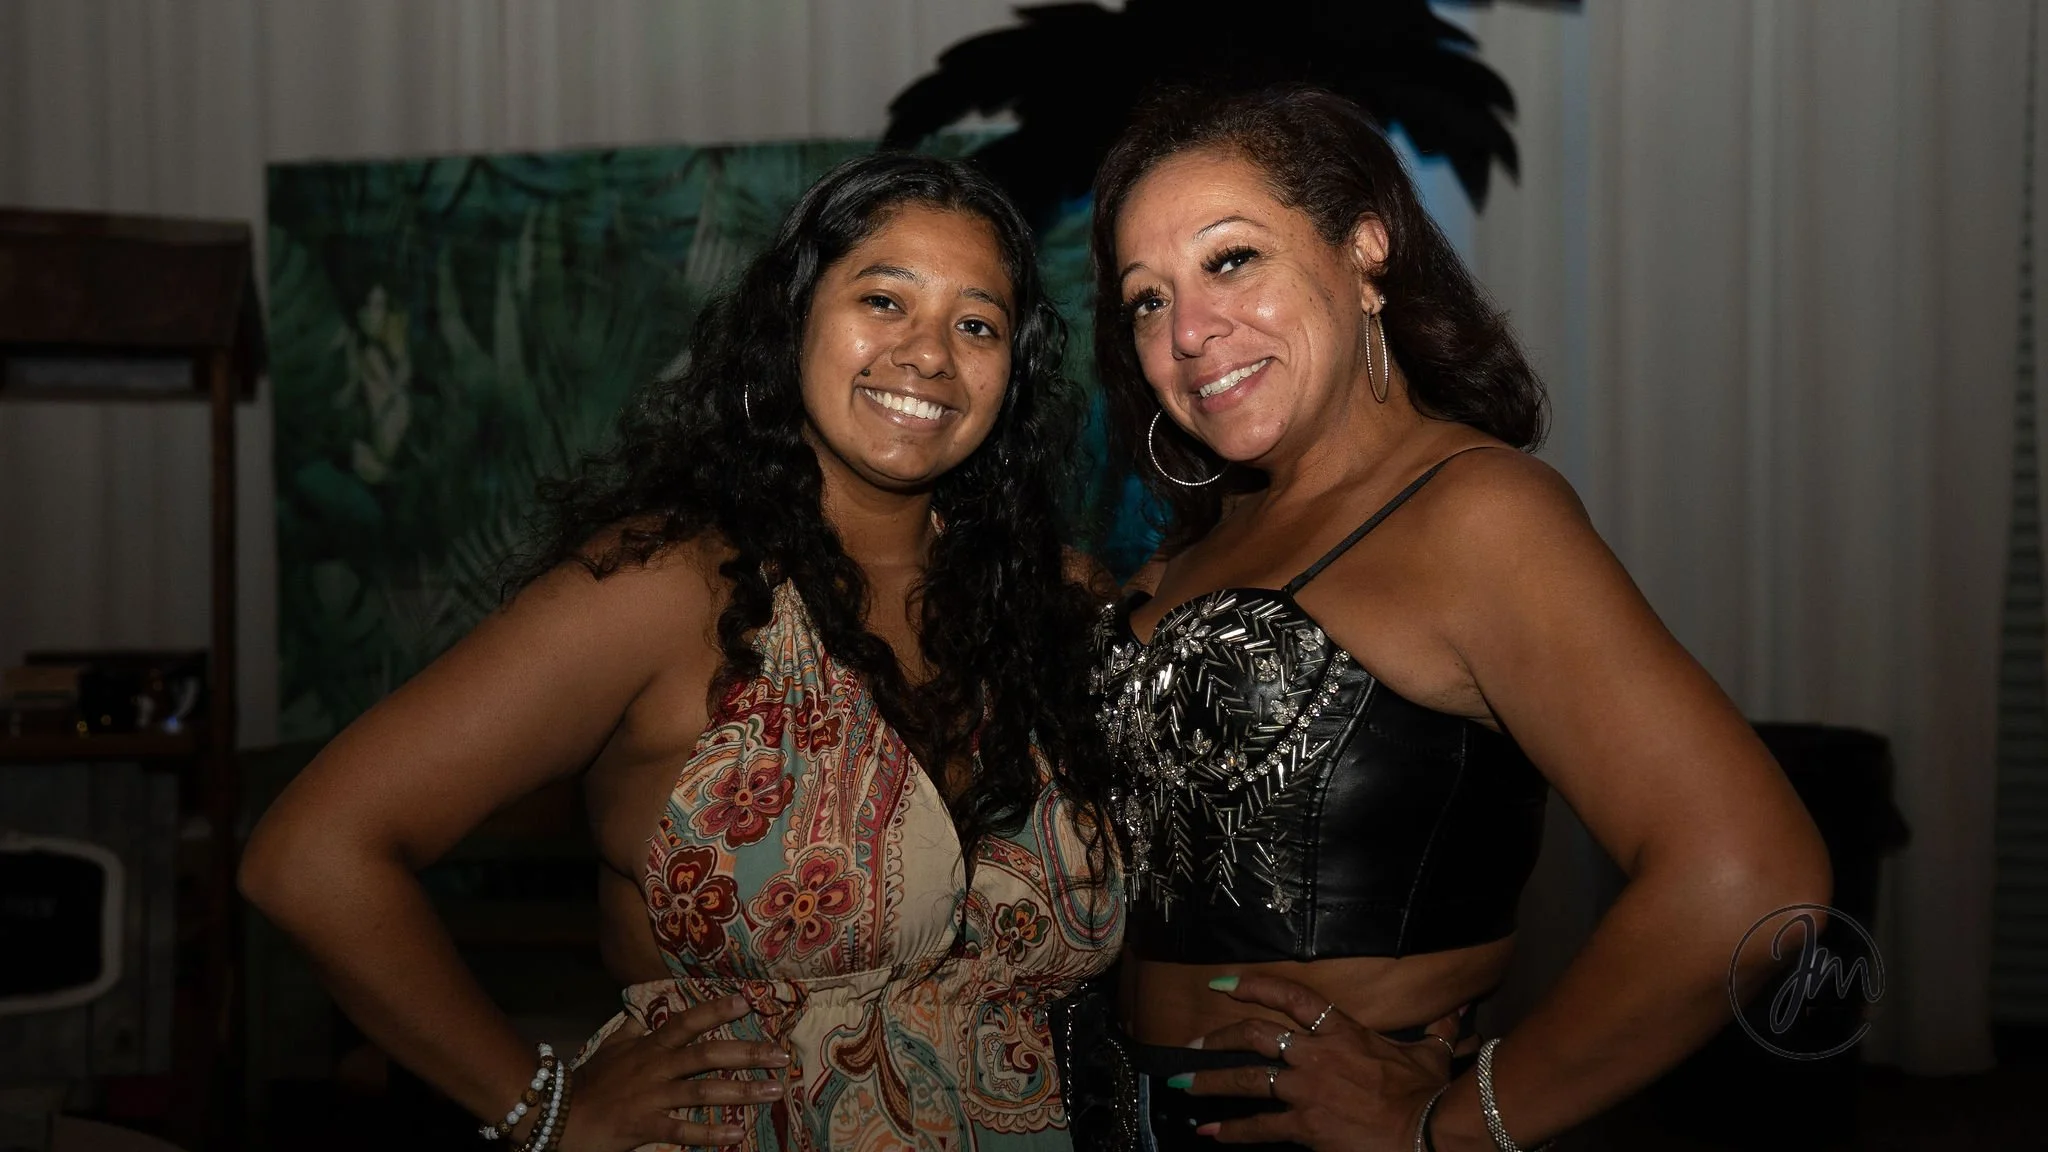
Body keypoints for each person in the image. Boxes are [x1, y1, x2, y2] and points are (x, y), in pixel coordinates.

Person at [240, 152, 1122, 1152]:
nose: (927, 354)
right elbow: (310, 856)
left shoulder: (1058, 603)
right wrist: (543, 1109)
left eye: (977, 325)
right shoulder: (662, 590)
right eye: (883, 299)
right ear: (793, 320)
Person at [1083, 86, 1831, 1151]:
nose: (1189, 333)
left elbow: (1751, 883)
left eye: (1231, 259)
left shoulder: (1476, 515)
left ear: (1365, 254)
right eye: (1145, 300)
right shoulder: (1196, 546)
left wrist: (1445, 1123)